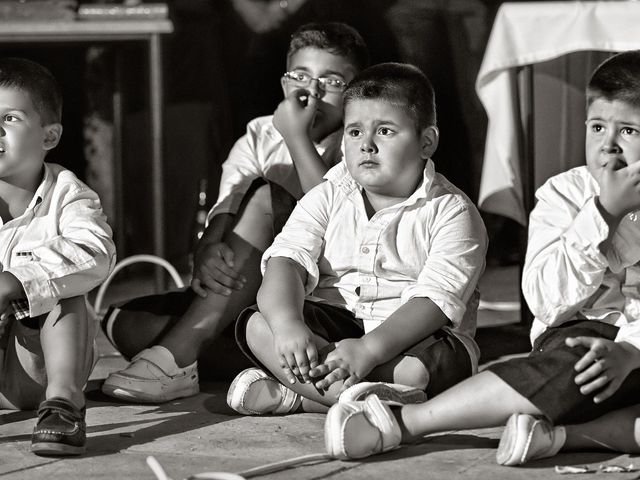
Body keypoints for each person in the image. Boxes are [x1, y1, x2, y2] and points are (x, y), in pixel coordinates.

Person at [323, 50, 640, 465]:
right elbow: (547, 301)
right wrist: (602, 215)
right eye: (597, 126)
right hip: (579, 337)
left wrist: (633, 352)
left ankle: (559, 435)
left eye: (630, 131)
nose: (608, 145)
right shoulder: (564, 195)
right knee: (582, 364)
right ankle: (405, 422)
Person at [100, 22, 369, 403]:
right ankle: (279, 374)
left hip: (318, 301)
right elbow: (226, 204)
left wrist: (296, 137)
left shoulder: (360, 142)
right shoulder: (259, 134)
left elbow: (335, 215)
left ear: (355, 92)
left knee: (267, 197)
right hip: (245, 292)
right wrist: (209, 250)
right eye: (301, 76)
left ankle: (177, 357)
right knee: (125, 323)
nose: (312, 91)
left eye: (332, 81)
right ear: (283, 84)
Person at [225, 62, 487, 417]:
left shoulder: (453, 212)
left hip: (408, 339)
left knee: (422, 368)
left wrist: (368, 350)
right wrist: (288, 323)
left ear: (426, 142)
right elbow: (286, 260)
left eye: (385, 131)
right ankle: (374, 402)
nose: (367, 145)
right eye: (354, 132)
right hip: (335, 330)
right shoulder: (330, 194)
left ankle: (304, 395)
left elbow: (435, 302)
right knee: (260, 324)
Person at [0, 57, 115, 456]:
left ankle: (65, 404)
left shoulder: (69, 194)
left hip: (33, 369)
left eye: (10, 118)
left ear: (49, 136)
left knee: (61, 287)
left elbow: (94, 252)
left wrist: (15, 281)